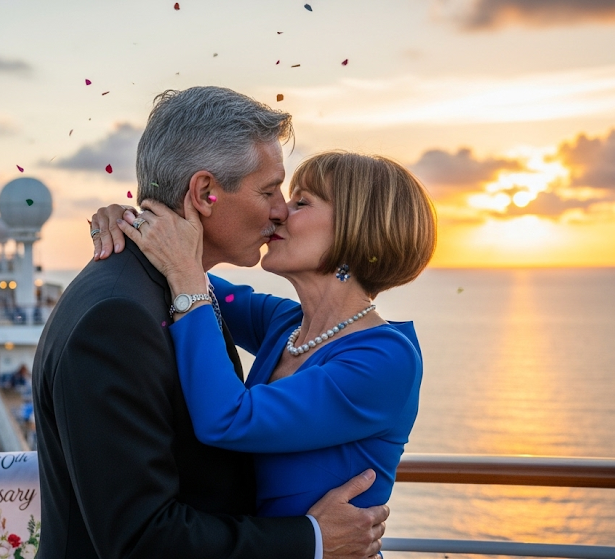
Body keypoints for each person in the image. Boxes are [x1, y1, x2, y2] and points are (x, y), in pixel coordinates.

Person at [33, 87, 388, 559]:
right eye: (269, 191)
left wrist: (138, 223)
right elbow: (140, 540)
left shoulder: (179, 287)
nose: (280, 210)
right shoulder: (117, 318)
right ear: (205, 192)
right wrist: (312, 539)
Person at [94, 151, 435, 520]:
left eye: (301, 201)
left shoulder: (384, 361)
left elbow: (226, 419)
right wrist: (131, 223)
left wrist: (182, 270)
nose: (280, 213)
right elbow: (191, 272)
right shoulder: (286, 324)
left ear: (358, 228)